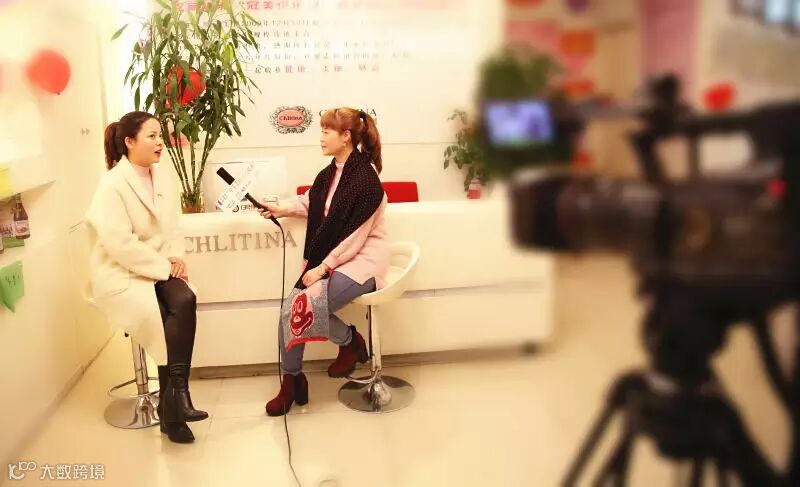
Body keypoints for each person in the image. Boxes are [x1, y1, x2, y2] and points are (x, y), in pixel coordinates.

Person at [85, 111, 207, 443]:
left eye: (160, 136)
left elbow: (173, 226)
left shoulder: (162, 176)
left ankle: (177, 398)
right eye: (151, 136)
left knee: (186, 299)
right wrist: (165, 267)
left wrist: (177, 256)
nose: (159, 143)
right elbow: (120, 245)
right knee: (168, 315)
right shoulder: (112, 185)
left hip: (159, 264)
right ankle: (174, 410)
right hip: (123, 270)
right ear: (129, 142)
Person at [259, 108, 390, 416]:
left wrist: (322, 268)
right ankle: (296, 378)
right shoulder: (329, 174)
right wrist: (280, 208)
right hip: (337, 258)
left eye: (326, 131)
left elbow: (355, 237)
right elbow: (312, 203)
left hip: (364, 261)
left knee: (300, 308)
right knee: (292, 309)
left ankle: (346, 343)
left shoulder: (367, 181)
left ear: (346, 137)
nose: (320, 137)